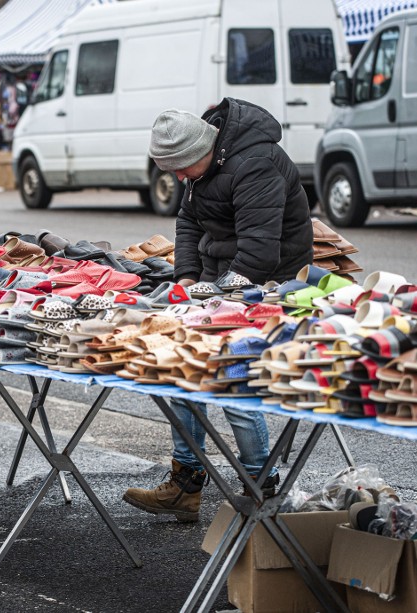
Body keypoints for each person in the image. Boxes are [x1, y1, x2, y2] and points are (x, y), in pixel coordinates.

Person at [122, 98, 313, 522]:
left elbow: (259, 255)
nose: (177, 177)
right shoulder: (201, 165)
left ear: (201, 152)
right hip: (218, 276)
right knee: (178, 364)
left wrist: (216, 298)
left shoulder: (256, 163)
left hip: (268, 284)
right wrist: (188, 277)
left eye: (181, 168)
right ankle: (186, 482)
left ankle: (260, 483)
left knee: (233, 371)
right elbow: (188, 223)